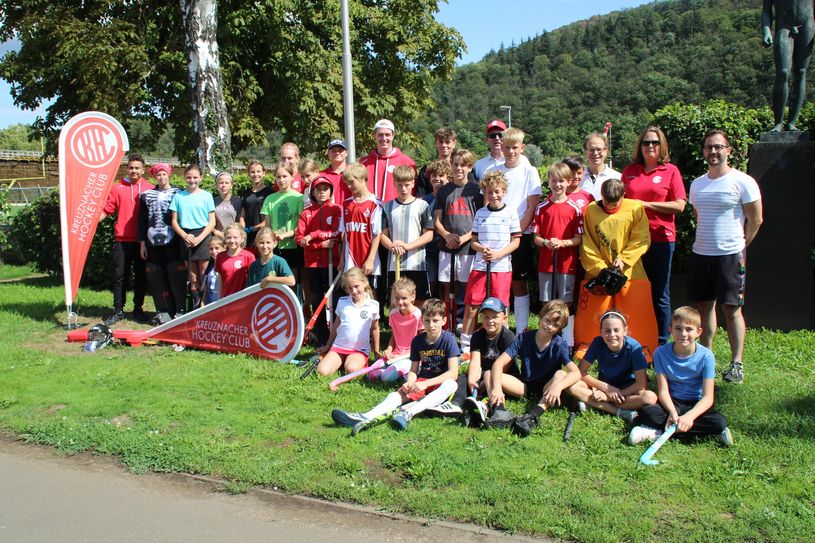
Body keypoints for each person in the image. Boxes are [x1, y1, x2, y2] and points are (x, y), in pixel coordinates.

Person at [687, 129, 763, 384]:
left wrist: (741, 246)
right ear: (704, 152)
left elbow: (756, 218)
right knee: (704, 308)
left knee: (732, 310)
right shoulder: (697, 184)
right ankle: (705, 360)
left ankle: (737, 364)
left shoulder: (743, 181)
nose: (713, 151)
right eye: (709, 147)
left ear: (728, 150)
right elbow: (699, 216)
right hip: (701, 253)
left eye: (718, 147)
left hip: (730, 255)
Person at [331, 298, 459, 433]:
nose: (431, 325)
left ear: (444, 321)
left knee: (452, 384)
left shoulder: (448, 339)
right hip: (423, 380)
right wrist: (409, 382)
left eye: (435, 321)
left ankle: (408, 413)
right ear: (422, 320)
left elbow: (453, 373)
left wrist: (426, 384)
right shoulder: (417, 341)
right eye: (427, 320)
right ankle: (365, 416)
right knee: (397, 395)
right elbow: (414, 370)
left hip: (441, 382)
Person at [574, 178, 658, 362]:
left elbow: (641, 239)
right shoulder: (591, 210)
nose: (610, 207)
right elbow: (587, 242)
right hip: (598, 273)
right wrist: (600, 269)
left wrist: (624, 260)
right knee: (594, 309)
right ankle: (586, 345)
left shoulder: (635, 209)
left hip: (630, 272)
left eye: (615, 203)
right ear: (601, 196)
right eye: (606, 202)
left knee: (636, 308)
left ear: (623, 196)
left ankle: (643, 347)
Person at [629, 306, 734, 447]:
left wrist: (690, 416)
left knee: (719, 422)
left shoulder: (706, 356)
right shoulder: (660, 353)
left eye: (689, 329)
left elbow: (708, 397)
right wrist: (673, 413)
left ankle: (658, 433)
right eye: (678, 329)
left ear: (699, 332)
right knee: (648, 413)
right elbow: (663, 391)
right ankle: (703, 433)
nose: (683, 333)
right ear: (670, 330)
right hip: (672, 402)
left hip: (695, 402)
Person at [622, 126, 686, 346]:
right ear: (640, 146)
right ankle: (634, 340)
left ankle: (660, 343)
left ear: (662, 146)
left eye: (655, 143)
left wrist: (646, 204)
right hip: (633, 242)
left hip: (660, 239)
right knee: (634, 291)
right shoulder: (630, 171)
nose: (650, 146)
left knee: (659, 293)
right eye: (646, 142)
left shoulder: (671, 171)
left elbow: (679, 205)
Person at [485, 300, 581, 437]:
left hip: (547, 389)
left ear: (560, 329)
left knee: (560, 374)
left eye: (556, 325)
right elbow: (498, 364)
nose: (549, 326)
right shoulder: (524, 338)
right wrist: (496, 388)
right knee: (489, 374)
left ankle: (533, 416)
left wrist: (558, 387)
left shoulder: (560, 344)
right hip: (525, 386)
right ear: (540, 316)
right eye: (547, 320)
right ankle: (500, 412)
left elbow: (576, 372)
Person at [463, 170, 521, 352]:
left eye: (497, 191)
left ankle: (503, 342)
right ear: (485, 193)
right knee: (473, 304)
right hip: (480, 266)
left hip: (502, 267)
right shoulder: (480, 213)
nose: (494, 195)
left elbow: (516, 241)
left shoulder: (511, 213)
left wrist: (499, 254)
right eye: (489, 192)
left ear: (504, 191)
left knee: (500, 305)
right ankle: (466, 344)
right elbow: (473, 241)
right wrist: (483, 249)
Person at [567, 311, 657, 423]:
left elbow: (641, 384)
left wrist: (608, 396)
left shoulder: (634, 348)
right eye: (607, 331)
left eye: (616, 330)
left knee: (650, 397)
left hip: (627, 391)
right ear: (601, 332)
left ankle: (596, 403)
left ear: (625, 331)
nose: (612, 335)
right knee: (571, 385)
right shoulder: (597, 343)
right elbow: (580, 372)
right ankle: (620, 412)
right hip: (605, 386)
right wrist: (606, 388)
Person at [495, 127, 543, 334]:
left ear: (522, 148)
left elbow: (532, 206)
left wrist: (516, 233)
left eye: (515, 147)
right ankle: (500, 329)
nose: (511, 151)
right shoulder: (496, 171)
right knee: (499, 282)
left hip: (520, 235)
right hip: (496, 235)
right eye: (507, 147)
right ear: (501, 147)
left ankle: (522, 328)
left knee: (518, 282)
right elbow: (490, 200)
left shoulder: (529, 171)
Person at [533, 162, 583, 348]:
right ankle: (544, 338)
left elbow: (578, 238)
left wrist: (563, 243)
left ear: (569, 182)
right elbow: (536, 237)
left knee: (565, 302)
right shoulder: (542, 207)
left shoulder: (575, 208)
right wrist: (546, 242)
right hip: (546, 263)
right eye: (554, 181)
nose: (557, 185)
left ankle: (568, 341)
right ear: (549, 182)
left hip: (566, 263)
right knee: (547, 301)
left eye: (561, 181)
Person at [101, 153, 154, 324]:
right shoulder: (117, 188)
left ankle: (138, 309)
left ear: (143, 170)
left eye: (137, 168)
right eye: (131, 167)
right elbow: (107, 209)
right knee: (119, 276)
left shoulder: (150, 189)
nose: (134, 171)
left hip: (142, 242)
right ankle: (118, 310)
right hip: (122, 240)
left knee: (141, 277)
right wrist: (89, 224)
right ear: (127, 168)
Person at [434, 149, 482, 332]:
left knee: (465, 286)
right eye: (455, 165)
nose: (459, 168)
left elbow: (479, 220)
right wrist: (446, 235)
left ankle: (463, 321)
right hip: (447, 246)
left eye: (463, 165)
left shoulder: (476, 190)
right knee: (447, 286)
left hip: (467, 247)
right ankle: (447, 320)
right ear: (451, 166)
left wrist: (464, 237)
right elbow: (437, 220)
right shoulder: (444, 191)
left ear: (469, 167)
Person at [295, 176, 341, 346]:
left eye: (325, 189)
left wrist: (313, 236)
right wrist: (321, 244)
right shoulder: (306, 213)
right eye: (318, 189)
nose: (322, 192)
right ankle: (320, 336)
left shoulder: (337, 210)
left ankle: (336, 335)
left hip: (332, 262)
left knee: (335, 299)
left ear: (330, 191)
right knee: (316, 299)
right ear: (312, 192)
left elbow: (336, 233)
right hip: (313, 263)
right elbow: (300, 239)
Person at [380, 166, 434, 307]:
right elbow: (382, 235)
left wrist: (408, 246)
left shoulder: (422, 205)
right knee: (396, 300)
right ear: (394, 184)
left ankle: (419, 328)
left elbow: (429, 234)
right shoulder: (387, 207)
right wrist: (392, 245)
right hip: (395, 263)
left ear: (413, 184)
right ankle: (397, 328)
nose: (403, 189)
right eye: (399, 185)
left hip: (416, 263)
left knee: (419, 299)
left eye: (407, 185)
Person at [459, 297, 517, 427]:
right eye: (486, 317)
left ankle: (499, 410)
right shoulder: (478, 335)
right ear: (481, 318)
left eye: (495, 317)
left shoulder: (508, 337)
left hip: (505, 379)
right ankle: (458, 406)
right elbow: (475, 361)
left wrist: (486, 379)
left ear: (504, 319)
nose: (490, 321)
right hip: (486, 378)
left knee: (489, 373)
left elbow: (505, 366)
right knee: (463, 378)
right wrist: (473, 380)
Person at [138, 163, 184, 324]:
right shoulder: (146, 195)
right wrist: (142, 243)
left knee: (175, 273)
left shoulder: (178, 193)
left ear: (169, 175)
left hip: (172, 240)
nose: (162, 177)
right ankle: (162, 309)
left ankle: (179, 309)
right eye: (159, 175)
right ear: (154, 177)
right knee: (157, 275)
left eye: (164, 174)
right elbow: (142, 220)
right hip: (152, 242)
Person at [316, 267, 380, 376]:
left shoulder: (373, 305)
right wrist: (328, 345)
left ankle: (351, 362)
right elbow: (336, 325)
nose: (354, 291)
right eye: (350, 288)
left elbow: (375, 329)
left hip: (359, 350)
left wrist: (376, 352)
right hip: (339, 347)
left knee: (351, 370)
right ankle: (340, 360)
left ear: (365, 283)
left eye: (356, 286)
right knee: (322, 371)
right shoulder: (342, 302)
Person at [762, 0, 814, 131]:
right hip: (783, 25)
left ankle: (791, 122)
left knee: (801, 72)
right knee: (783, 72)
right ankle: (778, 122)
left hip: (807, 24)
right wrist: (766, 30)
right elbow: (766, 11)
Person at [170, 164, 216, 308]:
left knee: (204, 273)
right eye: (189, 177)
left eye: (195, 177)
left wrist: (199, 238)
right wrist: (185, 236)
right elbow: (174, 222)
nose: (192, 180)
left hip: (202, 236)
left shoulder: (207, 196)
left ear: (201, 178)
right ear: (185, 178)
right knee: (193, 276)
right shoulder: (178, 197)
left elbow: (212, 222)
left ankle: (205, 305)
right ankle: (195, 306)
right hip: (186, 237)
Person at [368, 277, 424, 382]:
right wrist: (389, 350)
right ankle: (402, 373)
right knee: (371, 375)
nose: (400, 302)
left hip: (412, 356)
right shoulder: (393, 314)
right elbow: (394, 336)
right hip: (396, 354)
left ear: (413, 296)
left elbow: (423, 340)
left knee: (386, 377)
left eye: (404, 298)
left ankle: (407, 373)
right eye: (397, 298)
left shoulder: (418, 315)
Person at [260, 161, 304, 295]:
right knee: (275, 283)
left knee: (292, 284)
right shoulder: (270, 199)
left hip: (292, 247)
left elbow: (301, 226)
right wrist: (270, 238)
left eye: (285, 176)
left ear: (292, 177)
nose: (281, 180)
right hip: (274, 248)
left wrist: (286, 235)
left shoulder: (299, 198)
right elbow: (267, 225)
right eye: (278, 177)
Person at [338, 163, 383, 286]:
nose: (348, 186)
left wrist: (371, 259)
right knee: (352, 291)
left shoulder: (375, 203)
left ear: (362, 178)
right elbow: (345, 234)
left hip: (367, 257)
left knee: (370, 292)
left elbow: (377, 234)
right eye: (346, 183)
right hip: (349, 259)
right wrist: (342, 258)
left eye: (351, 182)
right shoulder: (346, 204)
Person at [359, 119, 416, 203]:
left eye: (387, 135)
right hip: (370, 212)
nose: (384, 138)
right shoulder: (363, 163)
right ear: (375, 135)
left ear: (393, 135)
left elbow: (413, 191)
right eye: (380, 135)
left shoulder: (407, 162)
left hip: (396, 210)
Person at [422, 159, 451, 299]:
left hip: (447, 246)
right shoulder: (424, 201)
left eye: (441, 175)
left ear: (448, 177)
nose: (437, 178)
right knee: (431, 282)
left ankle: (446, 314)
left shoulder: (452, 197)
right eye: (434, 175)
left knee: (446, 284)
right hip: (429, 248)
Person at [215, 223, 255, 298]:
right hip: (226, 300)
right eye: (229, 237)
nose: (232, 240)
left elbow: (253, 281)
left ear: (242, 238)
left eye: (235, 237)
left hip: (244, 299)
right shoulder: (220, 257)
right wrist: (219, 301)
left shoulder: (249, 256)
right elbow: (220, 282)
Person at [415, 127, 458, 197]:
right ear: (435, 144)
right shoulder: (426, 170)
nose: (444, 145)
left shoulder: (460, 169)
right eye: (441, 142)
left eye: (447, 142)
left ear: (454, 143)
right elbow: (420, 196)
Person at [240, 161, 273, 249]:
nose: (255, 174)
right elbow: (242, 215)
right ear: (248, 174)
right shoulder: (246, 193)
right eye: (252, 172)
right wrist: (243, 230)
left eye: (258, 171)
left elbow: (270, 217)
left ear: (264, 173)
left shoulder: (270, 192)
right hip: (247, 235)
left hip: (263, 234)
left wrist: (253, 228)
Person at [580, 132, 621, 202]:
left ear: (605, 151)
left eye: (599, 149)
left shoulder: (618, 178)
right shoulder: (576, 178)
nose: (595, 153)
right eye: (591, 150)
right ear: (585, 152)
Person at [213, 171, 244, 238]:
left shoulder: (238, 201)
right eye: (221, 183)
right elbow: (208, 222)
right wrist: (216, 232)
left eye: (226, 183)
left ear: (231, 185)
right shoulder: (212, 202)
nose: (223, 185)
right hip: (218, 239)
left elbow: (242, 221)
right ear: (216, 185)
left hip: (234, 238)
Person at [320, 139, 351, 204]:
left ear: (346, 153)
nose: (337, 153)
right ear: (328, 153)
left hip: (350, 212)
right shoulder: (321, 176)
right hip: (329, 213)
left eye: (340, 150)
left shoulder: (353, 172)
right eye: (333, 150)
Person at [202, 234, 225, 305]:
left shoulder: (225, 265)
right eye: (211, 249)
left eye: (217, 248)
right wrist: (202, 303)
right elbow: (206, 287)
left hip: (221, 302)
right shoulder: (209, 266)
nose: (214, 251)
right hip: (209, 303)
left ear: (224, 248)